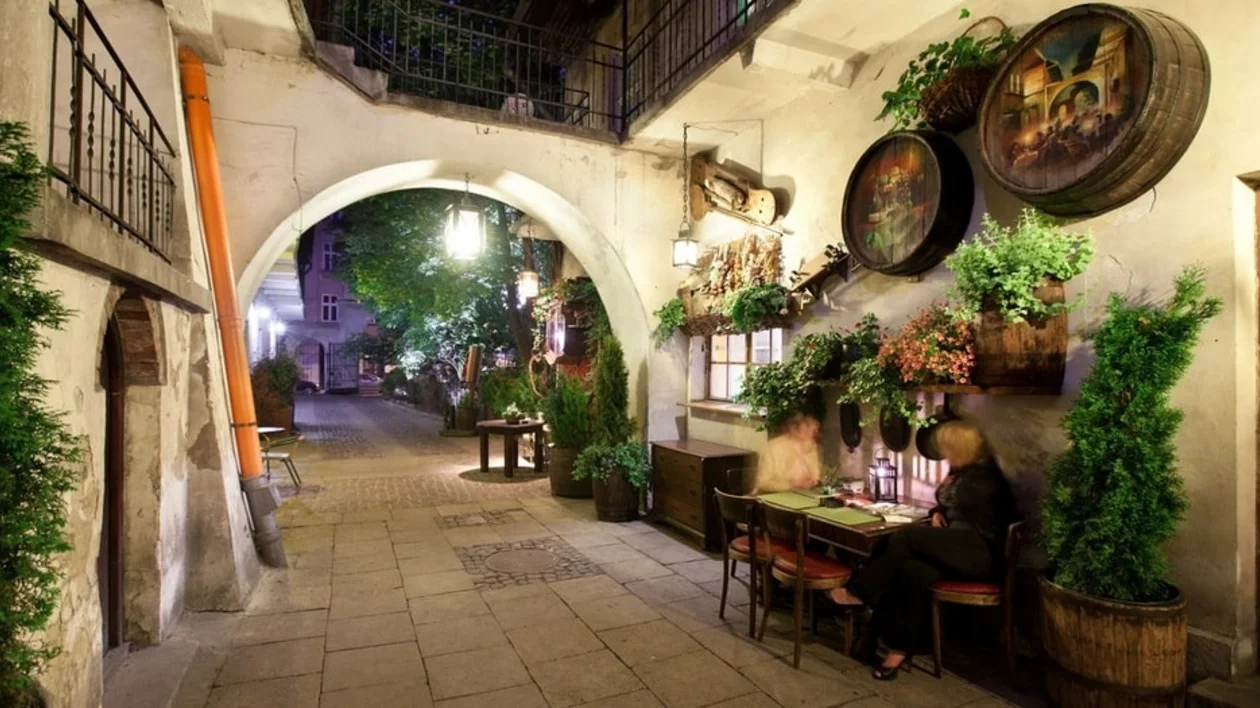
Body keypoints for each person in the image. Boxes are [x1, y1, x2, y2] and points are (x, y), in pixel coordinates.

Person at [829, 421, 1018, 681]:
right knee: (912, 570)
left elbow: (955, 500)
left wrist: (943, 502)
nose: (944, 454)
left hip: (979, 553)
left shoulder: (983, 477)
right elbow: (947, 503)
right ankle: (896, 649)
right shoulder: (963, 471)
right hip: (957, 546)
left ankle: (860, 592)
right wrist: (937, 512)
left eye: (948, 448)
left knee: (904, 536)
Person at [752, 412, 821, 494]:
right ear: (793, 427)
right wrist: (792, 484)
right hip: (772, 497)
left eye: (815, 426)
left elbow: (815, 477)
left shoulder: (811, 446)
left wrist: (813, 481)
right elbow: (762, 484)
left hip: (801, 496)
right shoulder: (773, 447)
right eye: (807, 425)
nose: (813, 430)